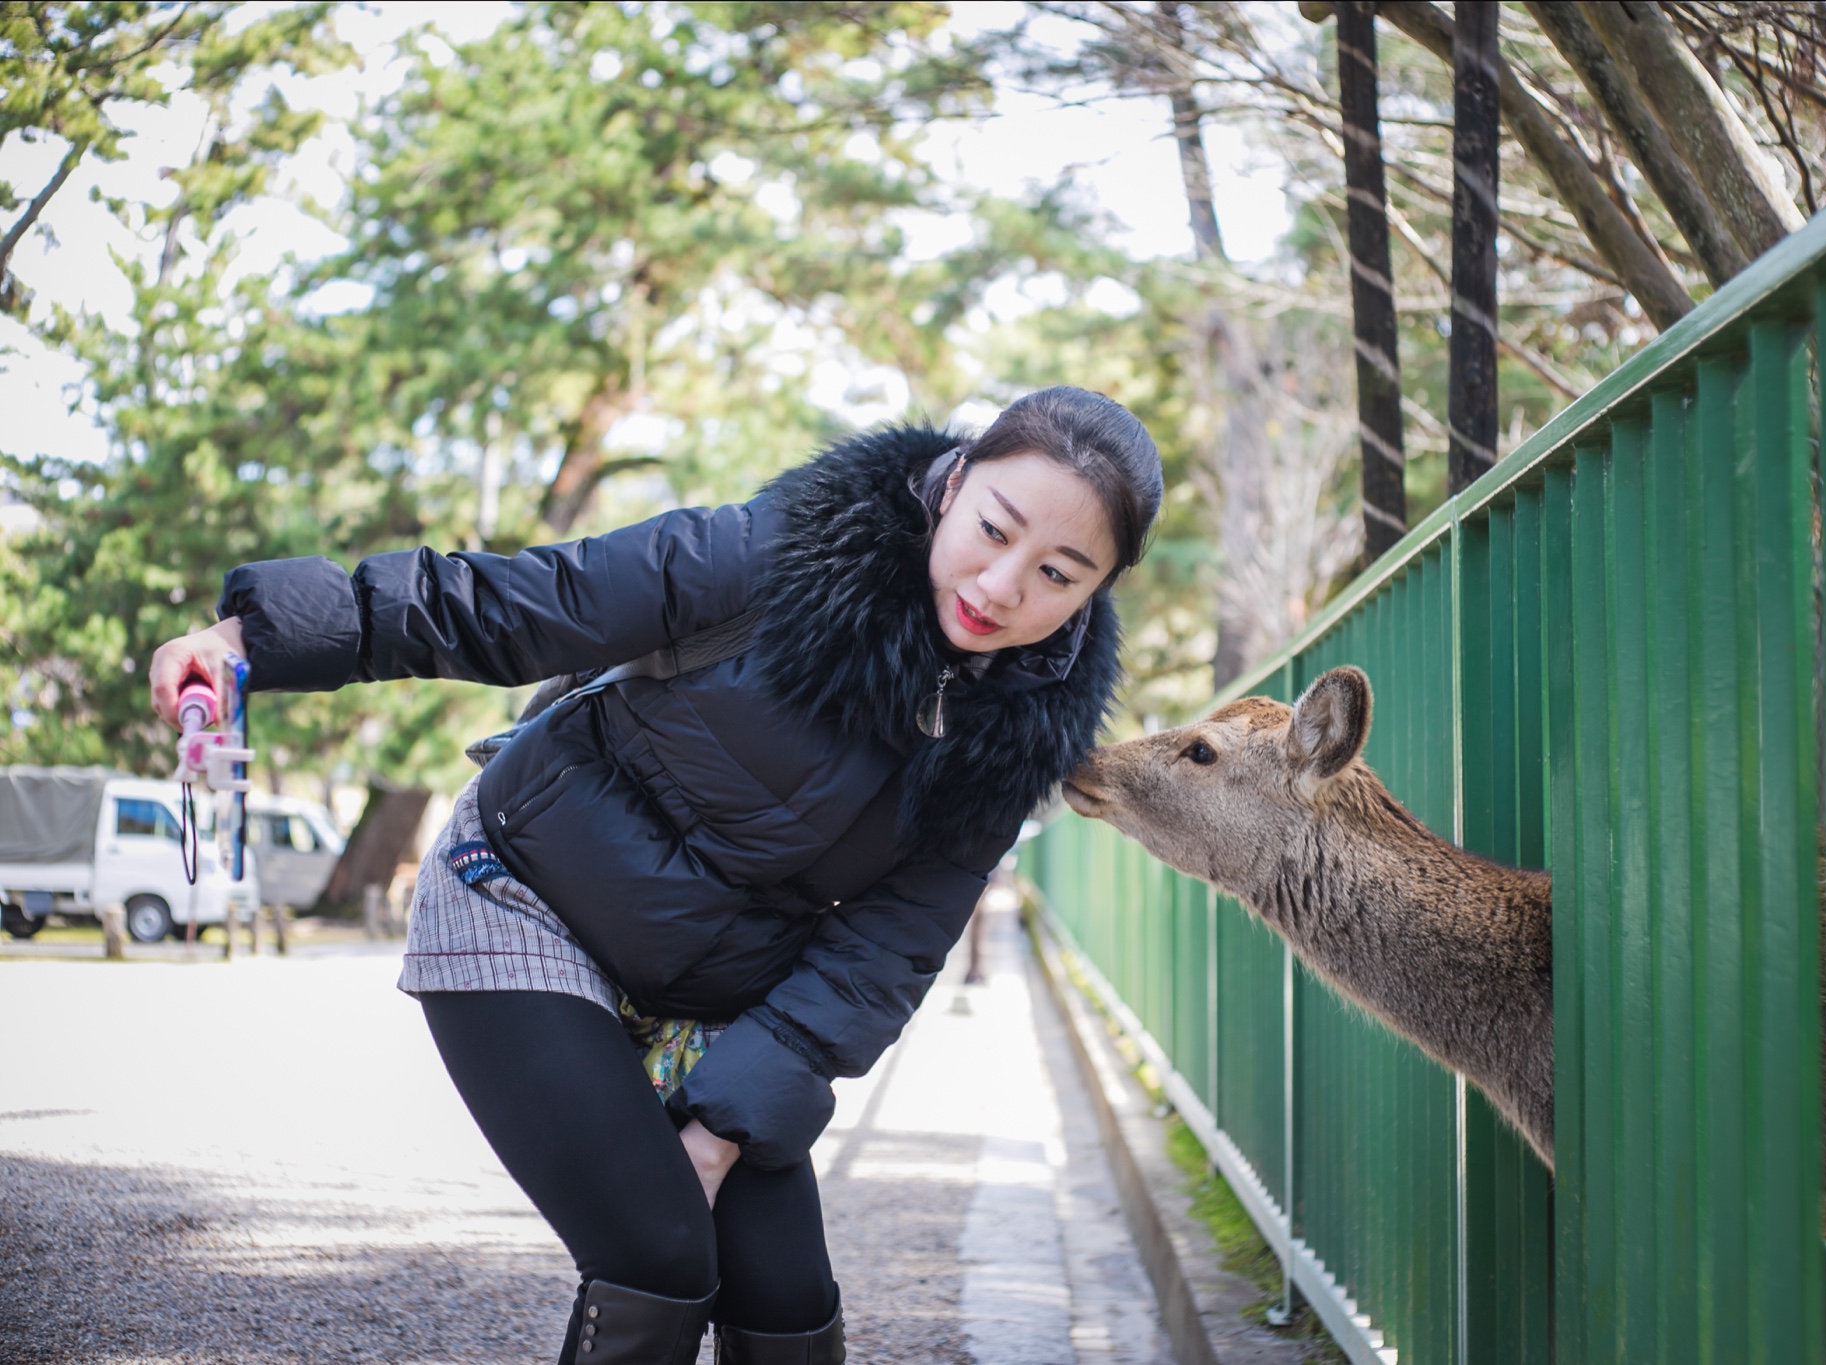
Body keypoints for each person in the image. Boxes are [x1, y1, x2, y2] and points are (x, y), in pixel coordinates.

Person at [148, 387, 1162, 1365]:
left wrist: (722, 1126)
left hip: (714, 988)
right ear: (951, 486)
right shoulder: (774, 552)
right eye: (994, 529)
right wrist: (252, 640)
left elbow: (881, 953)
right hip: (525, 894)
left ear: (1093, 593)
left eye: (1057, 573)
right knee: (659, 1253)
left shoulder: (1016, 736)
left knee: (786, 1293)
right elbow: (514, 606)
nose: (1001, 587)